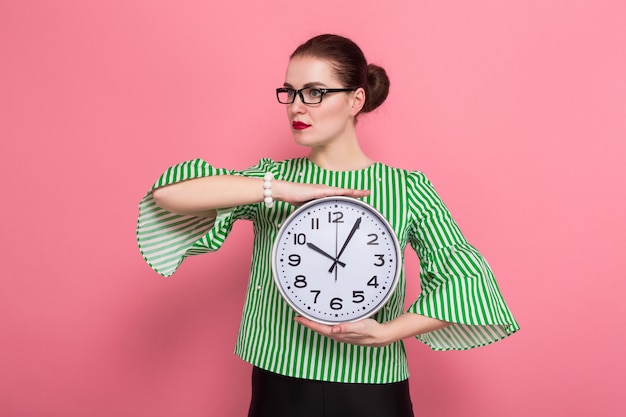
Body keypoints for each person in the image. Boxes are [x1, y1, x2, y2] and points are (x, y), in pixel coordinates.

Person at [137, 34, 519, 417]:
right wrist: (280, 189)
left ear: (356, 100)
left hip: (373, 388)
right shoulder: (272, 180)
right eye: (290, 92)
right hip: (279, 380)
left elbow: (468, 281)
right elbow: (169, 196)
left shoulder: (408, 189)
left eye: (315, 92)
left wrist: (386, 332)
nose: (296, 107)